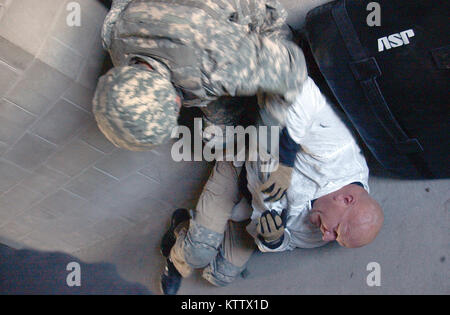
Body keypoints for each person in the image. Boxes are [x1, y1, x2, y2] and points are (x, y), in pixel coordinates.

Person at [159, 76, 384, 295]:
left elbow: (291, 242)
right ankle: (179, 239)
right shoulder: (334, 152)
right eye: (335, 231)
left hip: (253, 209)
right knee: (197, 253)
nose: (326, 237)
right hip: (241, 166)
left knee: (221, 275)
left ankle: (205, 223)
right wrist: (285, 159)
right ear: (346, 199)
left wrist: (274, 240)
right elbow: (299, 87)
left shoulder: (324, 230)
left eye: (336, 239)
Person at [93, 0, 307, 199]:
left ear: (176, 103)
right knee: (216, 137)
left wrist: (268, 137)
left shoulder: (214, 65)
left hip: (252, 23)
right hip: (198, 31)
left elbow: (293, 66)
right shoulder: (117, 34)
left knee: (272, 101)